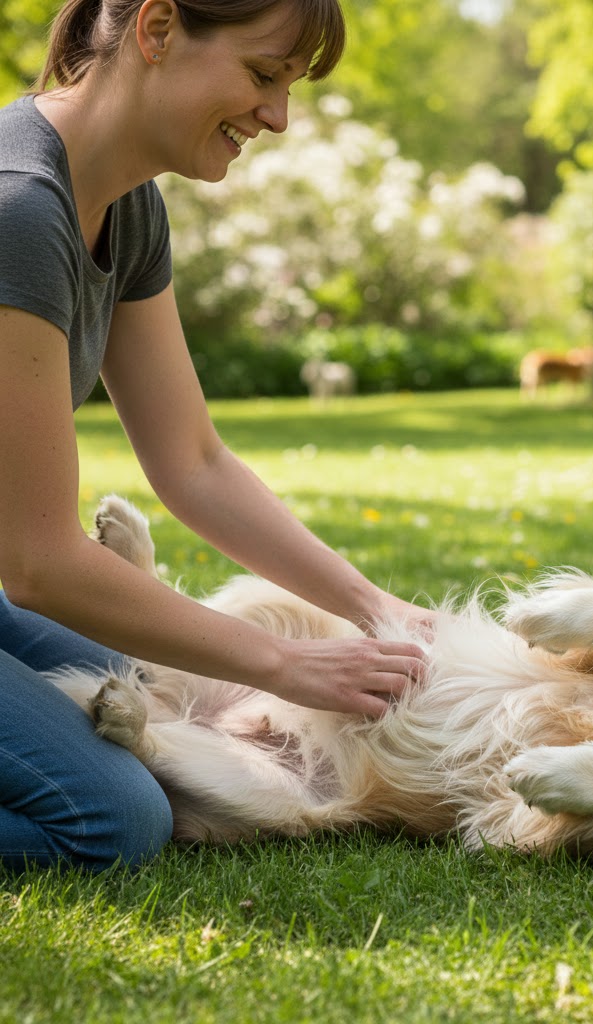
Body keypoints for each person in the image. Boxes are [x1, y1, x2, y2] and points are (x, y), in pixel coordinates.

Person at [0, 0, 433, 872]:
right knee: (115, 819)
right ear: (157, 29)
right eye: (264, 75)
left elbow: (192, 463)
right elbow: (38, 561)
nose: (278, 115)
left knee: (153, 689)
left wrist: (376, 609)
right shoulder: (18, 211)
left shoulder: (125, 206)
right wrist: (285, 665)